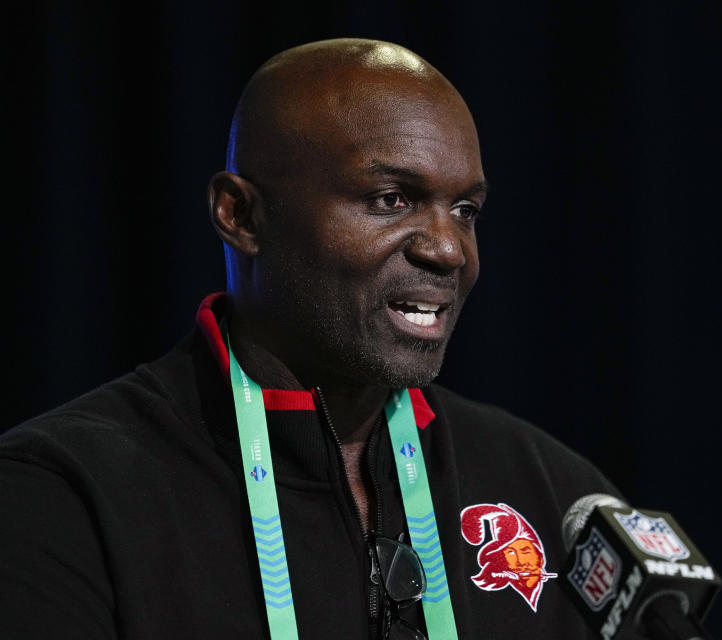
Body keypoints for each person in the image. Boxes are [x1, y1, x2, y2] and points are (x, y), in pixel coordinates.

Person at [0, 39, 621, 639]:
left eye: (465, 210)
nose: (448, 250)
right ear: (240, 215)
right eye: (392, 199)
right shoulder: (62, 494)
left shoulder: (554, 491)